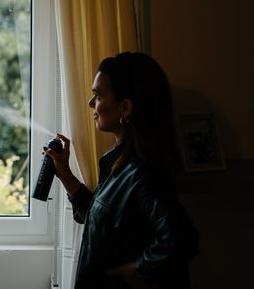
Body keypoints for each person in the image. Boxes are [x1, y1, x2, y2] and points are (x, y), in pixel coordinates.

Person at [45, 52, 198, 289]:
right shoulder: (117, 164)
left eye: (97, 95)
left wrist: (136, 270)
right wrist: (65, 175)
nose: (90, 103)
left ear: (125, 108)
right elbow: (101, 221)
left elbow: (180, 237)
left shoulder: (142, 173)